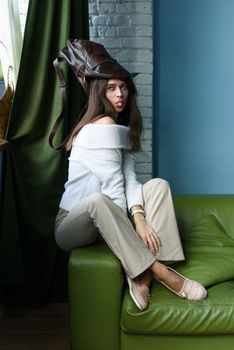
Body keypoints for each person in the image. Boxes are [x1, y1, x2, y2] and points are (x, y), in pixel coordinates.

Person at [54, 60, 207, 311]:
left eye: (123, 87)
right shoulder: (101, 126)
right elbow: (114, 191)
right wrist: (137, 225)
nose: (120, 94)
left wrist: (140, 216)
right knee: (97, 200)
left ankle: (146, 274)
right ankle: (157, 271)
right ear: (99, 92)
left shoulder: (116, 127)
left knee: (157, 185)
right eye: (111, 88)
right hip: (73, 224)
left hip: (104, 221)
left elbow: (129, 179)